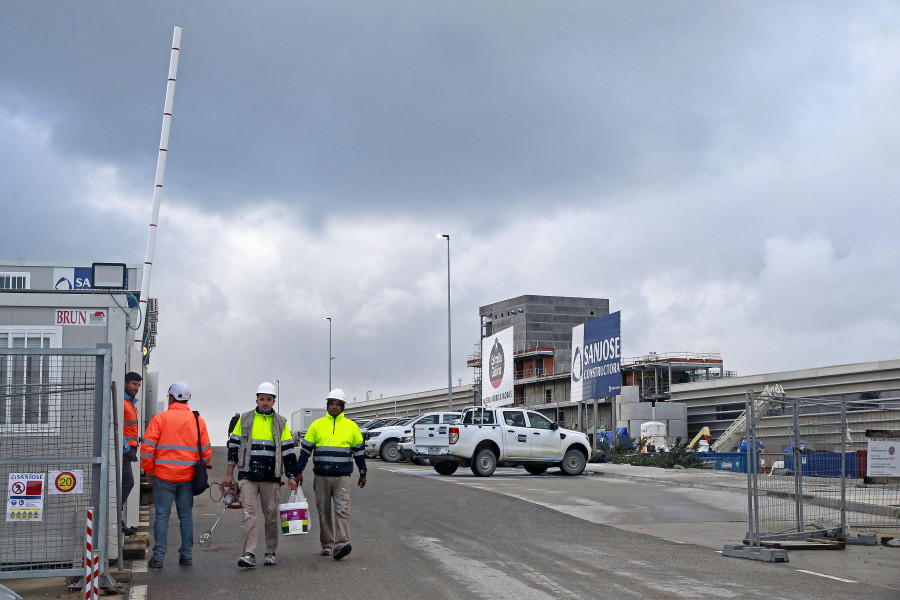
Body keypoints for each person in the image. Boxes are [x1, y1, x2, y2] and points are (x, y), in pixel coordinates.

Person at [223, 382, 298, 568]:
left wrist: (291, 476)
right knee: (249, 515)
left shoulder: (281, 422)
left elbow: (288, 451)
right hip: (248, 476)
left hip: (271, 478)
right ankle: (249, 554)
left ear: (274, 401)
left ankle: (270, 552)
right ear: (256, 399)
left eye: (269, 399)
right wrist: (229, 474)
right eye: (262, 398)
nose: (265, 402)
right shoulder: (245, 419)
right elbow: (233, 447)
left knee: (271, 516)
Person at [140, 381, 212, 569]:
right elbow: (206, 450)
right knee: (186, 516)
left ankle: (158, 558)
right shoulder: (198, 420)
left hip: (163, 476)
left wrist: (149, 470)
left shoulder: (160, 419)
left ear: (171, 397)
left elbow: (147, 449)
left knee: (162, 516)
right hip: (188, 477)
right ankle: (186, 556)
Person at [294, 388, 366, 560]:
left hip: (342, 477)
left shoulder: (351, 427)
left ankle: (341, 544)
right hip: (321, 477)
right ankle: (327, 544)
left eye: (337, 404)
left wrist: (363, 472)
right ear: (327, 405)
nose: (334, 407)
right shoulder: (317, 425)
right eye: (331, 404)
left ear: (343, 407)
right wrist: (298, 471)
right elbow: (305, 452)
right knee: (324, 511)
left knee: (342, 510)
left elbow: (359, 453)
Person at [121, 371, 142, 536]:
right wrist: (126, 447)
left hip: (129, 451)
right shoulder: (123, 402)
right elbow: (117, 426)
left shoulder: (131, 403)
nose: (137, 388)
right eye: (134, 384)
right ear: (126, 383)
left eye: (139, 385)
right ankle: (116, 518)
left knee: (126, 483)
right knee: (128, 483)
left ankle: (117, 519)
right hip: (124, 451)